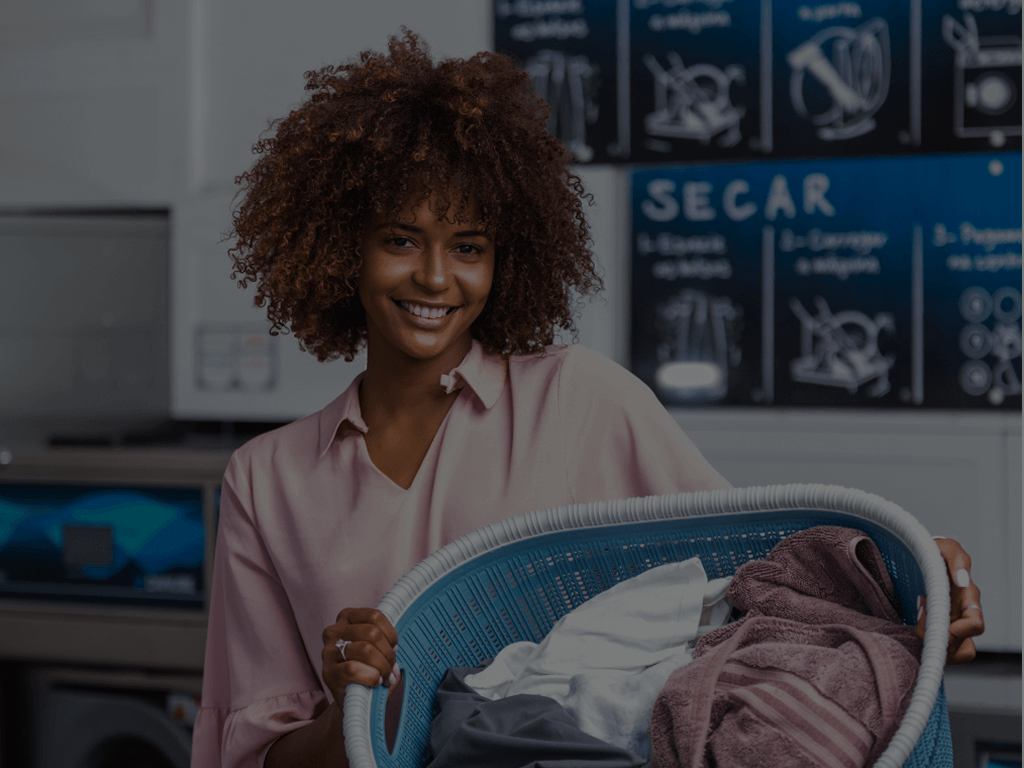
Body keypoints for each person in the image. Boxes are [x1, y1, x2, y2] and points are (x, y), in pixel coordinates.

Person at [191, 32, 985, 768]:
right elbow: (252, 756)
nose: (436, 279)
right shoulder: (266, 481)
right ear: (340, 246)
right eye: (401, 239)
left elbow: (761, 586)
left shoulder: (578, 397)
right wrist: (348, 704)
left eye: (468, 247)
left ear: (506, 260)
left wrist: (915, 574)